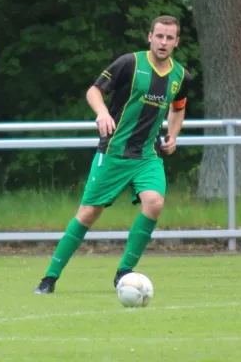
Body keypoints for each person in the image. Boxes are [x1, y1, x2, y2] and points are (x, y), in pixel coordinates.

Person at [33, 15, 191, 294]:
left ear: (177, 42)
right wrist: (103, 113)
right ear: (149, 37)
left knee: (154, 203)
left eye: (169, 37)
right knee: (88, 214)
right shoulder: (129, 63)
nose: (163, 42)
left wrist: (173, 135)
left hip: (147, 155)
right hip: (114, 152)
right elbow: (94, 91)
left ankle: (125, 273)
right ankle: (49, 278)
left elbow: (178, 107)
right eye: (159, 36)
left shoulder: (180, 76)